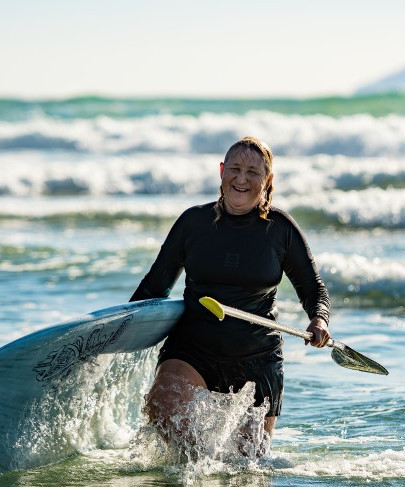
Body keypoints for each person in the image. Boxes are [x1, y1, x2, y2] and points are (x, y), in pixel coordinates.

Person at [130, 136, 330, 454]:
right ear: (221, 171)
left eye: (253, 171)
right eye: (234, 168)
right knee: (161, 407)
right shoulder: (193, 223)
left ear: (268, 180)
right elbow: (154, 287)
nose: (241, 178)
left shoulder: (280, 229)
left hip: (257, 358)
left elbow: (312, 288)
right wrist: (115, 332)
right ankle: (198, 464)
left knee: (245, 463)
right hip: (193, 349)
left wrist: (318, 319)